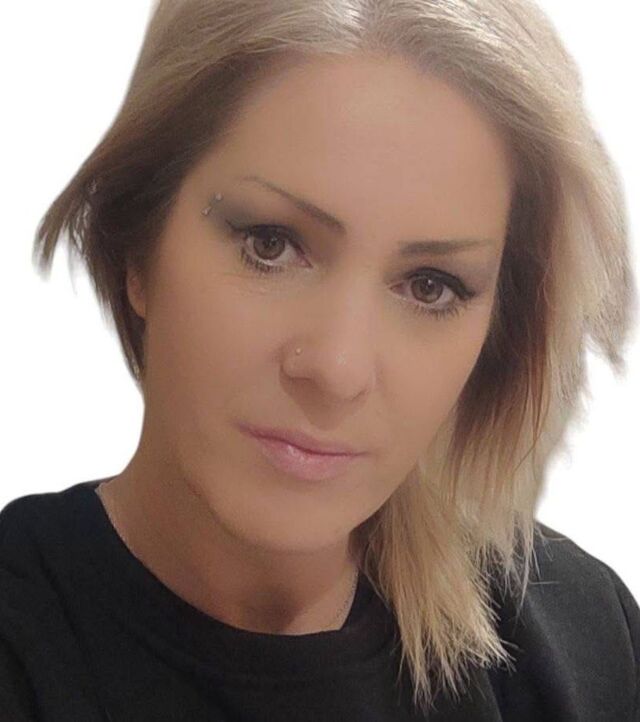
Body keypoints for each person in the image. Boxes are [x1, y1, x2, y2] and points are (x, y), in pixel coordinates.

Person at [2, 0, 638, 719]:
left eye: (430, 287)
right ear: (135, 249)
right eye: (270, 244)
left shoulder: (580, 639)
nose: (337, 369)